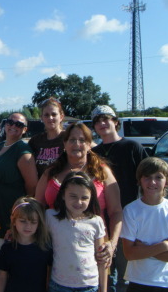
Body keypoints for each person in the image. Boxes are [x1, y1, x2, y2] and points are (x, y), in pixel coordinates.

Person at [35, 122, 122, 267]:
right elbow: (36, 207)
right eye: (72, 140)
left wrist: (112, 244)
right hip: (54, 249)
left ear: (89, 145)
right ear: (65, 143)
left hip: (95, 249)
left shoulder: (102, 172)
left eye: (82, 140)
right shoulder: (51, 172)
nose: (77, 144)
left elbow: (116, 211)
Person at [91, 105, 148, 292]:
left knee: (126, 275)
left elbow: (148, 179)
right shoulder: (93, 154)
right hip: (101, 221)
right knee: (104, 274)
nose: (102, 123)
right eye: (98, 121)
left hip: (129, 220)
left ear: (116, 122)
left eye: (106, 119)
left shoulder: (132, 147)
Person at [121, 157, 168, 292]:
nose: (152, 182)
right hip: (138, 280)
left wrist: (143, 249)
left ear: (166, 182)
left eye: (158, 177)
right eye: (147, 177)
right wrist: (164, 246)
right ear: (140, 180)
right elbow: (129, 253)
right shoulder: (131, 210)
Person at [0, 112, 38, 252]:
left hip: (6, 214)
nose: (13, 126)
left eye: (19, 124)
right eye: (10, 122)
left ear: (25, 130)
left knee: (4, 259)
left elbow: (32, 186)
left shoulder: (23, 152)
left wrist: (22, 215)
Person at [47, 171, 108, 292]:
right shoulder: (50, 216)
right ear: (63, 195)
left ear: (91, 198)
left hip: (89, 285)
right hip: (59, 285)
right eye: (73, 196)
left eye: (84, 198)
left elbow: (102, 259)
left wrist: (104, 289)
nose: (78, 202)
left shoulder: (96, 222)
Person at [0, 196, 52, 292]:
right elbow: (2, 276)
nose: (28, 226)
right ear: (13, 221)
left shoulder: (45, 248)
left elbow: (49, 275)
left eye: (33, 222)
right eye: (23, 221)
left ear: (39, 224)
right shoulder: (7, 248)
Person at [29, 97, 66, 178]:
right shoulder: (35, 141)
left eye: (54, 114)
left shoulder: (69, 136)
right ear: (41, 117)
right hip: (42, 188)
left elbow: (90, 145)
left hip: (63, 188)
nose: (50, 118)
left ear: (61, 116)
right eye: (46, 115)